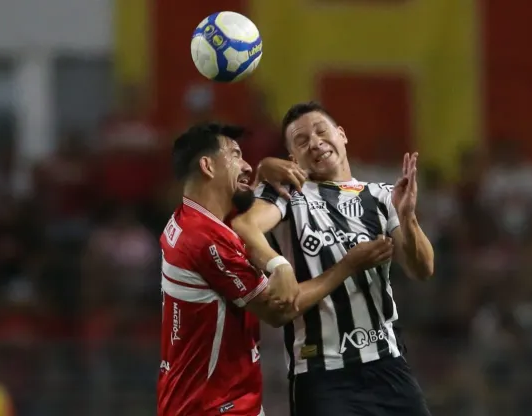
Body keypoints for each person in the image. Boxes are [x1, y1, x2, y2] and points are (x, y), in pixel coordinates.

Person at [156, 122, 394, 416]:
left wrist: (265, 167)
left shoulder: (191, 218)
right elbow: (278, 309)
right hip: (212, 405)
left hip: (208, 398)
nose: (245, 165)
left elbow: (244, 209)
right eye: (235, 155)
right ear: (207, 166)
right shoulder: (205, 240)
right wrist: (348, 264)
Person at [231, 102, 435, 416]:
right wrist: (278, 265)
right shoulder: (288, 194)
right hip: (322, 374)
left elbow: (423, 269)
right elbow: (245, 226)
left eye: (321, 131)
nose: (314, 142)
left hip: (388, 365)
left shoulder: (381, 195)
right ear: (293, 158)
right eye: (301, 141)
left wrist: (407, 218)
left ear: (341, 135)